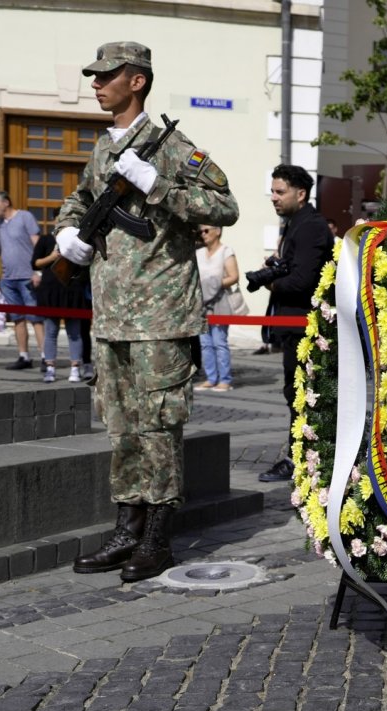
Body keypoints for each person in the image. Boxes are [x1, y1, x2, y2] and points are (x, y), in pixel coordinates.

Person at [57, 41, 239, 582]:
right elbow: (79, 199)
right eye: (94, 77)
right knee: (122, 428)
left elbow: (225, 206)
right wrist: (67, 230)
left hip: (159, 313)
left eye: (106, 76)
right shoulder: (102, 147)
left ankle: (158, 539)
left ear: (136, 81)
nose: (95, 84)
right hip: (111, 313)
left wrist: (157, 185)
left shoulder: (174, 147)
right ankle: (126, 529)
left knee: (159, 429)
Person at [257, 164, 332, 482]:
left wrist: (269, 280)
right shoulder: (294, 225)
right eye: (272, 191)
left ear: (300, 194)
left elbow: (302, 282)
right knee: (295, 392)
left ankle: (301, 459)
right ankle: (300, 456)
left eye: (279, 191)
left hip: (306, 329)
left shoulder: (311, 226)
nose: (273, 197)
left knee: (303, 393)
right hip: (293, 328)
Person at [0, 190, 44, 369]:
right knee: (17, 318)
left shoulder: (25, 217)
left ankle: (46, 357)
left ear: (5, 202)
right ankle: (24, 356)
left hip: (28, 277)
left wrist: (38, 271)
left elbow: (37, 244)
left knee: (35, 318)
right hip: (8, 279)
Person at [29, 233, 86, 383]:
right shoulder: (46, 239)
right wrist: (52, 257)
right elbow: (35, 263)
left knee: (74, 332)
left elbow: (86, 261)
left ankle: (75, 368)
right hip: (51, 290)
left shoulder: (77, 238)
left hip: (72, 289)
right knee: (51, 331)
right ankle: (50, 368)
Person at [195, 225, 244, 392]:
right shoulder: (199, 253)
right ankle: (211, 378)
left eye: (206, 230)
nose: (203, 234)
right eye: (201, 231)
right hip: (201, 303)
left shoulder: (226, 251)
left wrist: (212, 285)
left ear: (218, 231)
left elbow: (234, 276)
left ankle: (225, 379)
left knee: (219, 342)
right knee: (205, 343)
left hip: (219, 301)